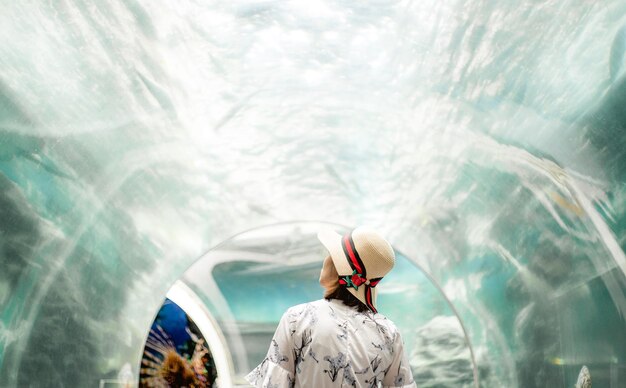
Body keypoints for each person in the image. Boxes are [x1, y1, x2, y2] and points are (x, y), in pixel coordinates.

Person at [246, 227, 416, 387]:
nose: (325, 258)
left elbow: (275, 383)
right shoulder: (388, 333)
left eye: (331, 254)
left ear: (337, 267)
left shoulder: (298, 318)